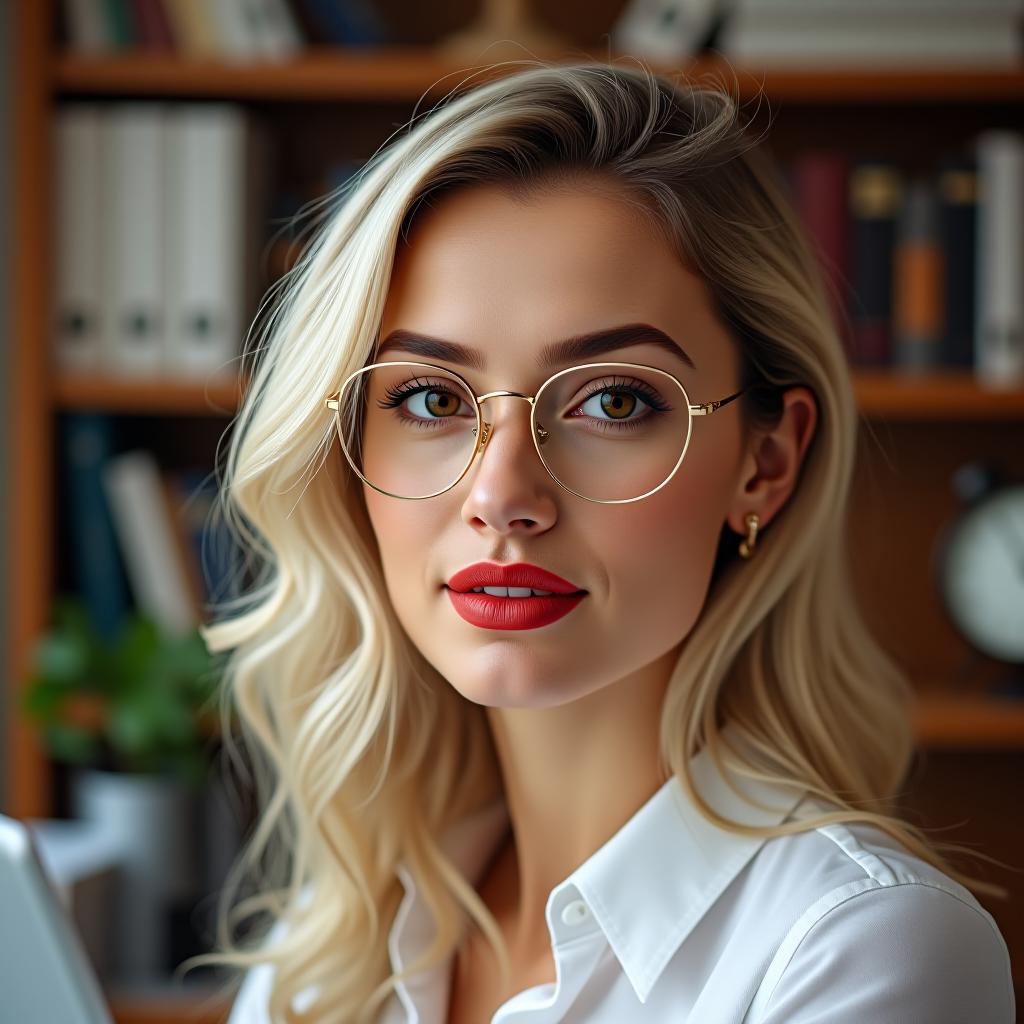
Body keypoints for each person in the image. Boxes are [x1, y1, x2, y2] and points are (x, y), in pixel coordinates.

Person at [183, 60, 1015, 1023]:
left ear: (767, 461)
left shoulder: (862, 946)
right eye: (429, 399)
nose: (502, 497)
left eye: (613, 402)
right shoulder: (332, 948)